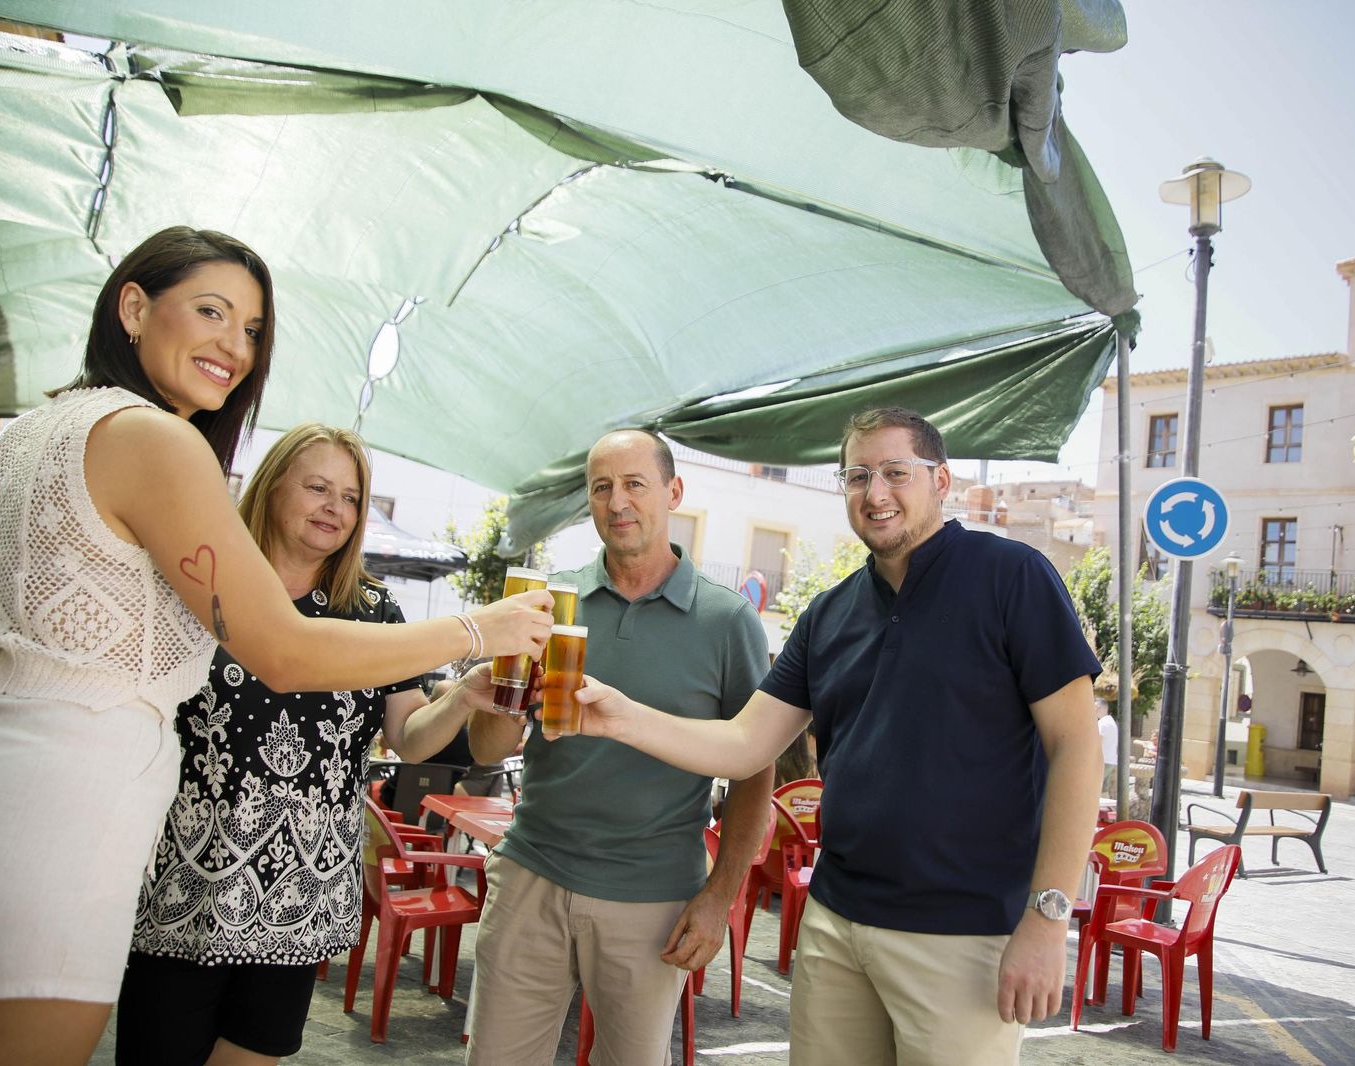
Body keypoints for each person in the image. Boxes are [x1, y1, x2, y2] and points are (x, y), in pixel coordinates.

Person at [0, 227, 552, 1066]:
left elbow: (410, 729)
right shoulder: (154, 441)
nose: (234, 347)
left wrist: (464, 690)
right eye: (211, 311)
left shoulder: (32, 431)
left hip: (18, 791)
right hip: (74, 825)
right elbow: (282, 649)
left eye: (250, 330)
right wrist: (480, 628)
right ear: (132, 306)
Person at [571, 407, 1103, 1065]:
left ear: (941, 480)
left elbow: (1077, 747)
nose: (875, 493)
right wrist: (617, 714)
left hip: (965, 936)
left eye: (894, 472)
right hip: (836, 924)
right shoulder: (829, 613)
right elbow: (744, 745)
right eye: (857, 476)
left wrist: (1049, 920)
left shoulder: (1010, 576)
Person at [113, 423, 516, 1065]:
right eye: (318, 487)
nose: (336, 507)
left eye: (351, 497)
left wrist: (463, 696)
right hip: (185, 880)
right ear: (272, 488)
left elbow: (409, 739)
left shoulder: (374, 610)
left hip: (301, 888)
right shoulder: (205, 581)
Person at [465, 429, 774, 1066]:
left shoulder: (726, 622)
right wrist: (503, 694)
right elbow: (489, 749)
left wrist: (721, 898)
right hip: (532, 877)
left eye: (635, 484)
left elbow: (754, 771)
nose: (617, 501)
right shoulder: (548, 600)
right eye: (602, 487)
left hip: (653, 898)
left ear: (673, 492)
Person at [1098, 696, 1120, 797]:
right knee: (1103, 790)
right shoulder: (1111, 722)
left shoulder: (1102, 723)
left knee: (1095, 787)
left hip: (1102, 761)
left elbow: (1098, 742)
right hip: (1110, 761)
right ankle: (1105, 811)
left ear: (1098, 707)